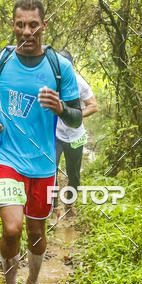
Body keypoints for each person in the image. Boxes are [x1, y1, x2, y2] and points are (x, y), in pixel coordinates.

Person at [0, 0, 84, 284]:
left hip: (43, 164)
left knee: (37, 233)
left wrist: (62, 108)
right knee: (12, 228)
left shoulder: (59, 68)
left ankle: (33, 282)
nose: (26, 32)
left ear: (43, 27)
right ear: (13, 26)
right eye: (20, 25)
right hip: (7, 158)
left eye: (33, 25)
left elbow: (77, 117)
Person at [54, 49, 99, 216]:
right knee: (51, 169)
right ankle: (53, 207)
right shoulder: (50, 81)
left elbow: (93, 105)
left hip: (76, 135)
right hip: (55, 134)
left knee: (73, 173)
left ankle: (69, 205)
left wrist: (76, 115)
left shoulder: (79, 82)